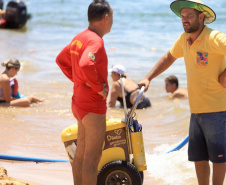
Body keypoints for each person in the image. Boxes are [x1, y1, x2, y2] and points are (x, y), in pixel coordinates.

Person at [138, 0, 226, 184]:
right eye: (182, 16)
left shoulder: (214, 37)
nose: (184, 20)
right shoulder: (184, 40)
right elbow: (168, 57)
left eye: (189, 16)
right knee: (199, 158)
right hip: (196, 111)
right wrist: (148, 78)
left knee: (219, 158)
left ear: (201, 17)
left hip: (218, 110)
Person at [55, 0, 113, 185]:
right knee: (92, 158)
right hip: (92, 105)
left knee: (80, 155)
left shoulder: (79, 37)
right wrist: (98, 88)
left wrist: (79, 80)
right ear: (106, 18)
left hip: (79, 102)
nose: (112, 21)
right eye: (112, 17)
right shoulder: (96, 41)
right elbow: (86, 64)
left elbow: (61, 60)